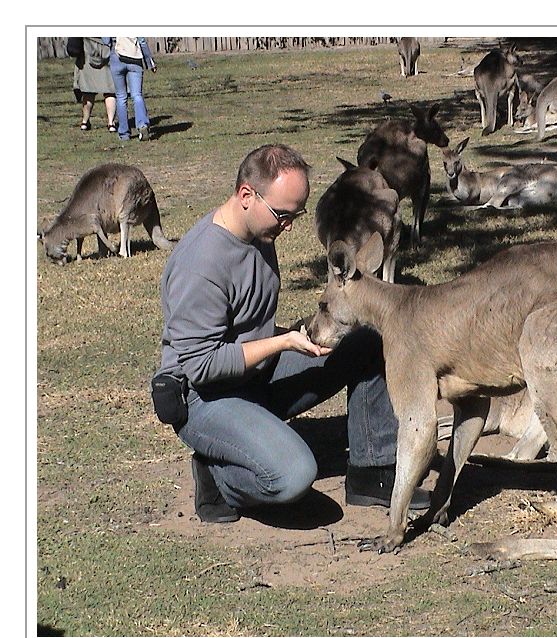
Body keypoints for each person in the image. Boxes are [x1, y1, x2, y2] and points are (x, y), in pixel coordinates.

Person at [153, 144, 429, 523]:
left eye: (295, 214)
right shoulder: (200, 264)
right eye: (282, 215)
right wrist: (284, 341)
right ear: (246, 195)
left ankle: (372, 471)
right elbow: (202, 365)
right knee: (293, 476)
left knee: (366, 340)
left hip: (255, 373)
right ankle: (218, 475)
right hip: (205, 396)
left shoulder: (259, 236)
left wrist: (297, 338)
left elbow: (247, 327)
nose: (289, 226)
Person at [102, 37, 156, 142]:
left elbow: (106, 40)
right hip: (134, 58)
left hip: (117, 57)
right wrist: (149, 62)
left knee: (121, 97)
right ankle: (142, 124)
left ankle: (124, 133)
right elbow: (142, 41)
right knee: (137, 95)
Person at [72, 37, 117, 132]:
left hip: (87, 51)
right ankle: (111, 123)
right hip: (109, 51)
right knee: (110, 91)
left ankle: (85, 121)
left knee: (88, 90)